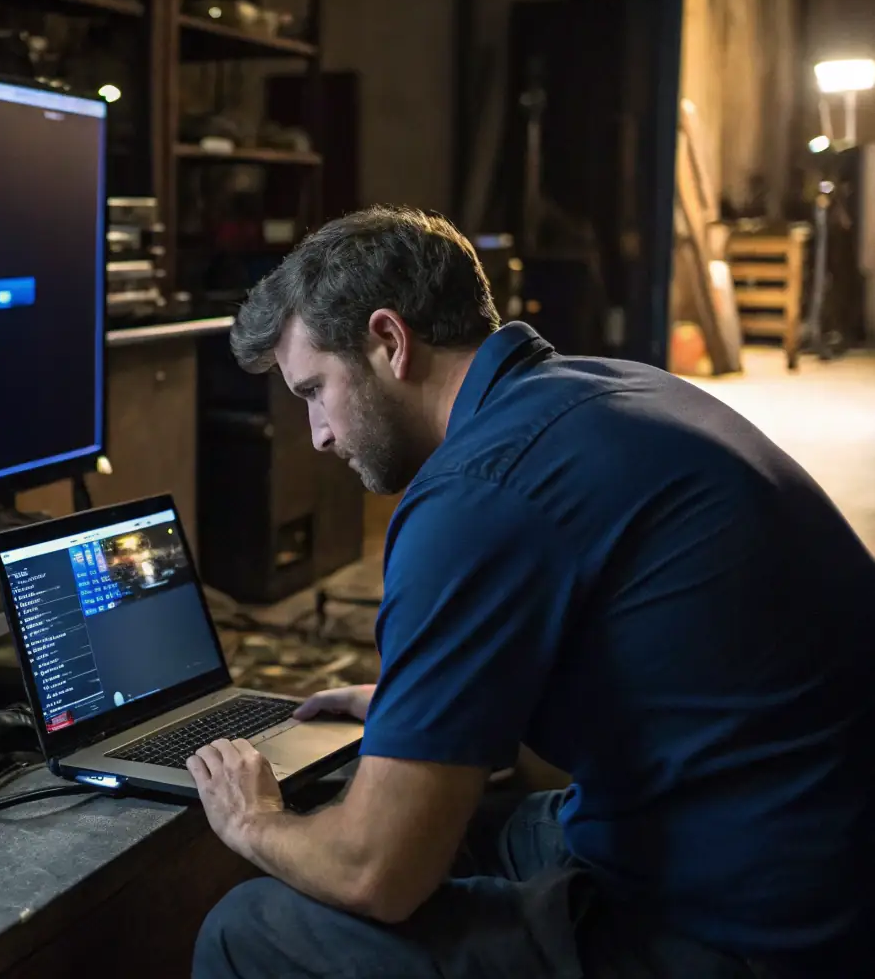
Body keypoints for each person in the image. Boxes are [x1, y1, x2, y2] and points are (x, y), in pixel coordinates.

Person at [185, 206, 875, 979]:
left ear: (388, 341)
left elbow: (373, 874)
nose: (317, 433)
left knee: (251, 926)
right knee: (410, 813)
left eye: (315, 390)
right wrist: (430, 708)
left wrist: (252, 821)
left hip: (748, 932)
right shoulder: (613, 390)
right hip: (803, 854)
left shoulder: (476, 493)